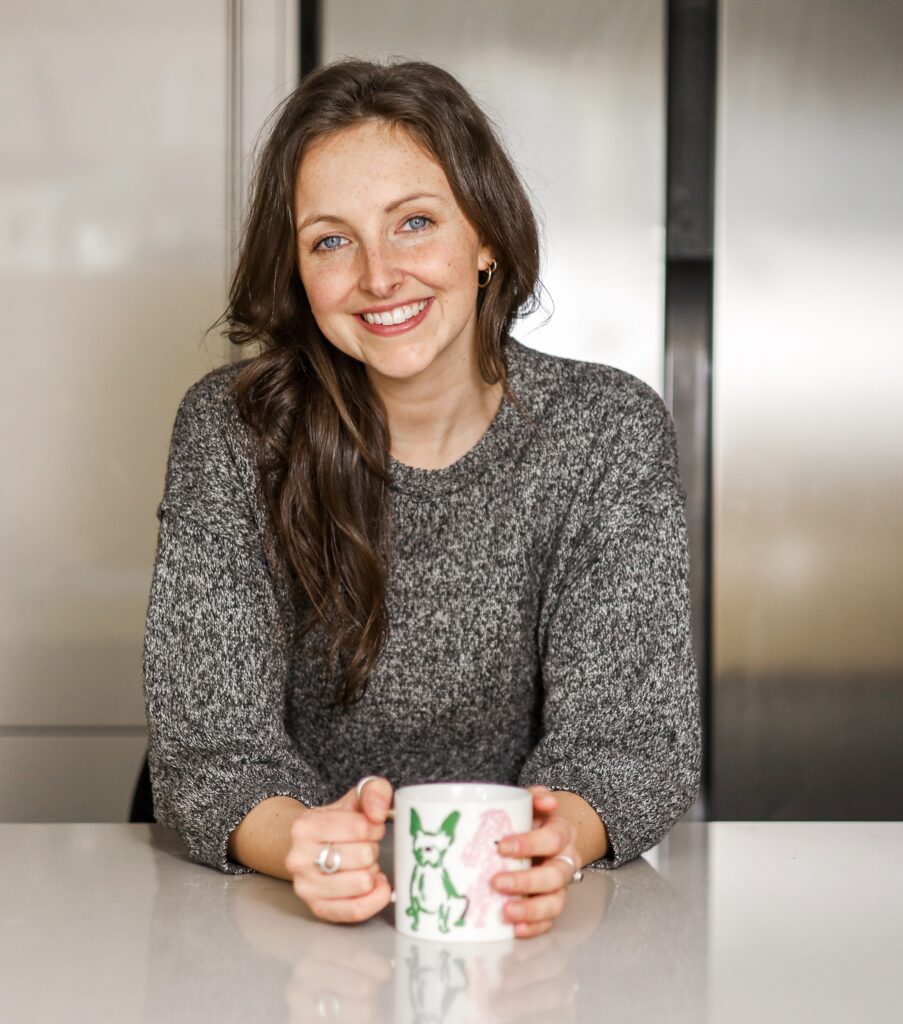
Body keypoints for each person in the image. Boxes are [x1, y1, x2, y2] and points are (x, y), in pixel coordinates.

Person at [142, 58, 701, 940]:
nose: (379, 275)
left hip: (510, 919)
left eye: (414, 223)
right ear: (296, 271)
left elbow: (630, 742)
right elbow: (212, 749)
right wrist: (304, 844)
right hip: (276, 915)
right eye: (331, 241)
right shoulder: (233, 432)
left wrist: (552, 843)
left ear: (486, 238)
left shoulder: (607, 431)